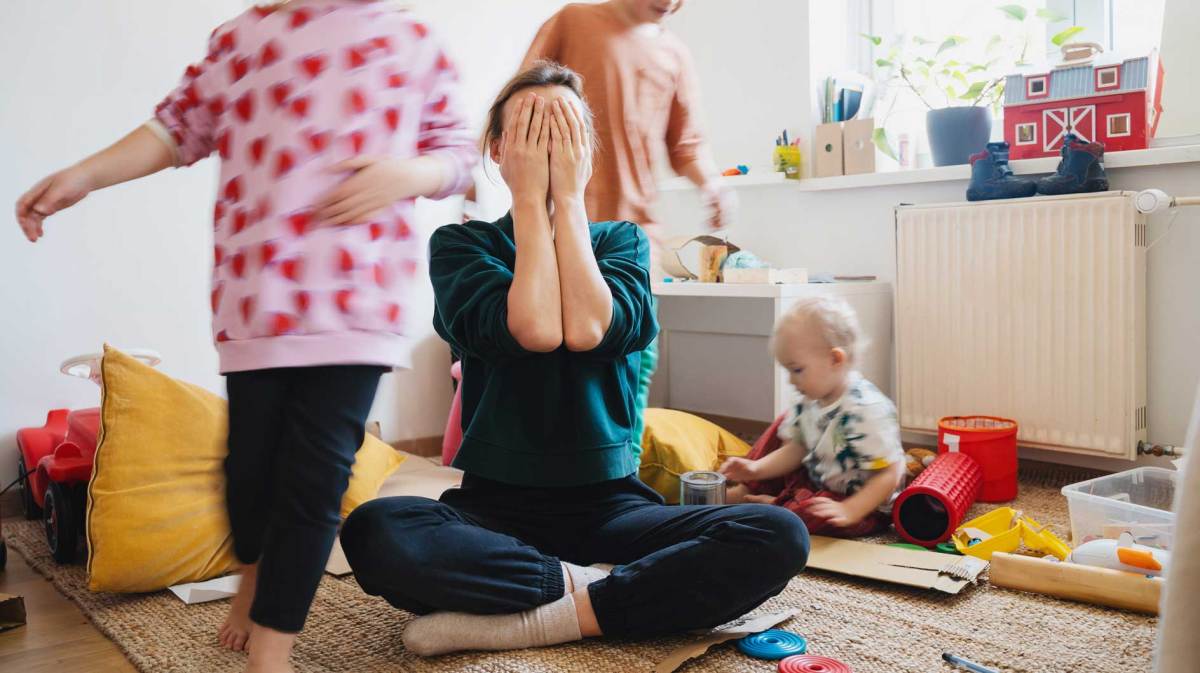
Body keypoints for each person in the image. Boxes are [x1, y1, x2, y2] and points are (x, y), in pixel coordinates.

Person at [14, 2, 476, 670]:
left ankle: (272, 648)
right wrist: (83, 175)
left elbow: (458, 154)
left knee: (314, 481)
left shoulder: (412, 40)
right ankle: (252, 574)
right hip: (258, 308)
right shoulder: (245, 37)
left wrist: (409, 174)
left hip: (358, 308)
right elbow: (174, 130)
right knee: (248, 476)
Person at [338, 62, 808, 656]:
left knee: (777, 533)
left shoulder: (622, 242)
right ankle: (604, 594)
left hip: (612, 508)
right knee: (377, 531)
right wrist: (533, 203)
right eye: (534, 132)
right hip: (492, 507)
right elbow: (534, 328)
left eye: (564, 134)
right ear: (499, 149)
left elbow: (587, 328)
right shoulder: (462, 246)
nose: (549, 148)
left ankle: (551, 612)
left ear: (587, 152)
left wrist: (567, 198)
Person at [721, 297, 906, 537]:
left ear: (834, 359)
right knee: (783, 426)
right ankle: (748, 490)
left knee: (813, 515)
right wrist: (756, 469)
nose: (791, 380)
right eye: (787, 370)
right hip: (816, 478)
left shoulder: (865, 410)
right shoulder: (809, 399)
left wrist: (850, 509)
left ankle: (775, 507)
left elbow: (891, 473)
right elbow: (797, 449)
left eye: (797, 370)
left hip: (861, 503)